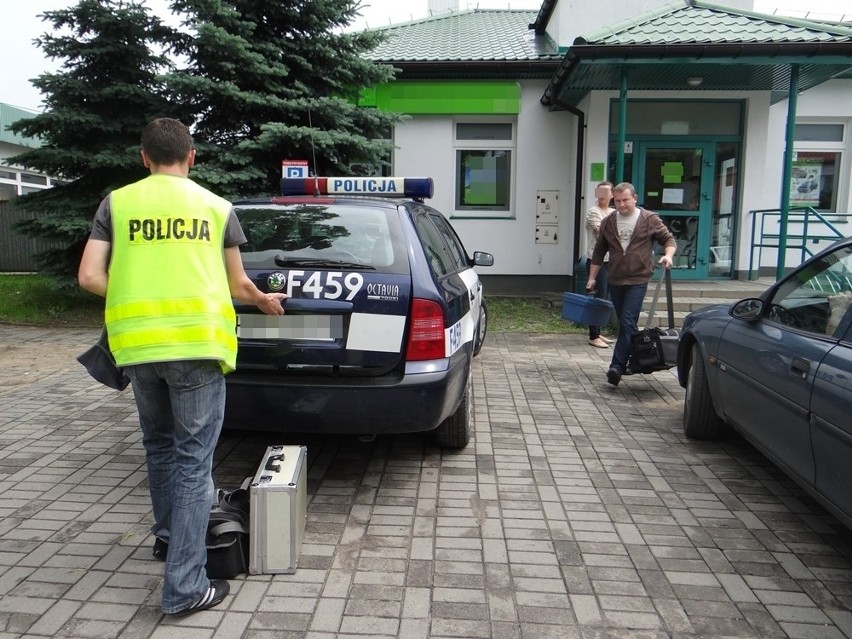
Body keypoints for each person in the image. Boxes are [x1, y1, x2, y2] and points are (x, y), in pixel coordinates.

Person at [77, 118, 287, 615]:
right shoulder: (216, 207)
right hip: (196, 346)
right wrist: (262, 301)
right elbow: (238, 286)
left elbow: (89, 276)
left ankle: (170, 541)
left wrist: (140, 295)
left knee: (159, 448)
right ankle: (185, 588)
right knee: (194, 462)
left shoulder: (118, 203)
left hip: (139, 349)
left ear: (143, 157)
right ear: (192, 157)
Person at [586, 182, 676, 387]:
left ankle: (616, 367)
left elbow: (668, 240)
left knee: (626, 322)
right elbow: (599, 251)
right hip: (616, 279)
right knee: (628, 324)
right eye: (617, 201)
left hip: (638, 279)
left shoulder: (648, 219)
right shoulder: (609, 221)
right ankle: (636, 360)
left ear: (634, 198)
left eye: (625, 200)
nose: (621, 204)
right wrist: (592, 277)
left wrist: (668, 256)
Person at [585, 181, 614, 348]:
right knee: (597, 297)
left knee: (605, 297)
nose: (603, 196)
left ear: (611, 194)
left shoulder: (613, 212)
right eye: (600, 193)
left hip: (612, 260)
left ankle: (598, 331)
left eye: (606, 192)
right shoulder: (593, 212)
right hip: (597, 261)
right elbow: (600, 231)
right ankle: (593, 334)